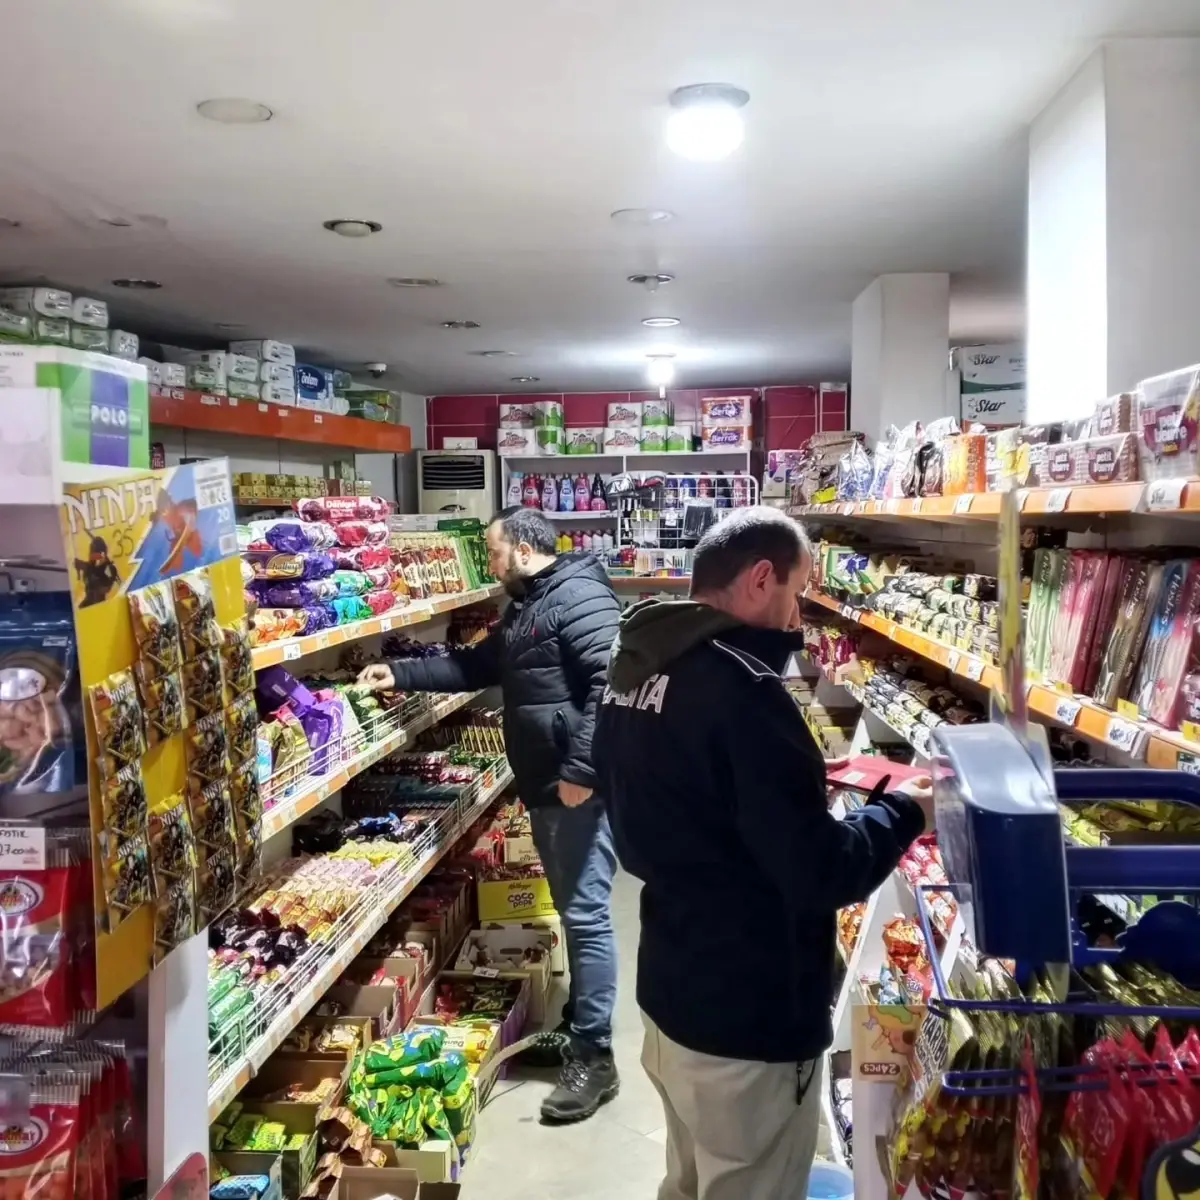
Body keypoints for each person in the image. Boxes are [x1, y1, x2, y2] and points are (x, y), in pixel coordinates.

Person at [594, 507, 932, 1200]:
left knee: (688, 1180)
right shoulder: (745, 692)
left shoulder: (636, 666)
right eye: (796, 592)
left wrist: (784, 784)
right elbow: (821, 871)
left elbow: (675, 793)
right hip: (749, 1010)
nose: (797, 614)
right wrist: (904, 811)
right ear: (758, 579)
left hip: (671, 985)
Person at [358, 506, 622, 1123]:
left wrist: (582, 770)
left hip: (573, 788)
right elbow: (475, 666)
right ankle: (580, 1024)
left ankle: (596, 1055)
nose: (490, 561)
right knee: (573, 907)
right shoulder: (529, 605)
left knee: (585, 914)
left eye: (495, 551)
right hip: (547, 783)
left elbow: (610, 687)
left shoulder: (580, 596)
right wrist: (399, 672)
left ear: (524, 550)